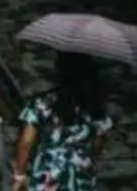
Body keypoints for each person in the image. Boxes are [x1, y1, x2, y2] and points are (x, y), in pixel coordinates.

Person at [13, 52, 112, 191]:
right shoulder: (96, 109)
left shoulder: (43, 103)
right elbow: (98, 146)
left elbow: (26, 143)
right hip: (80, 177)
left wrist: (20, 176)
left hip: (47, 175)